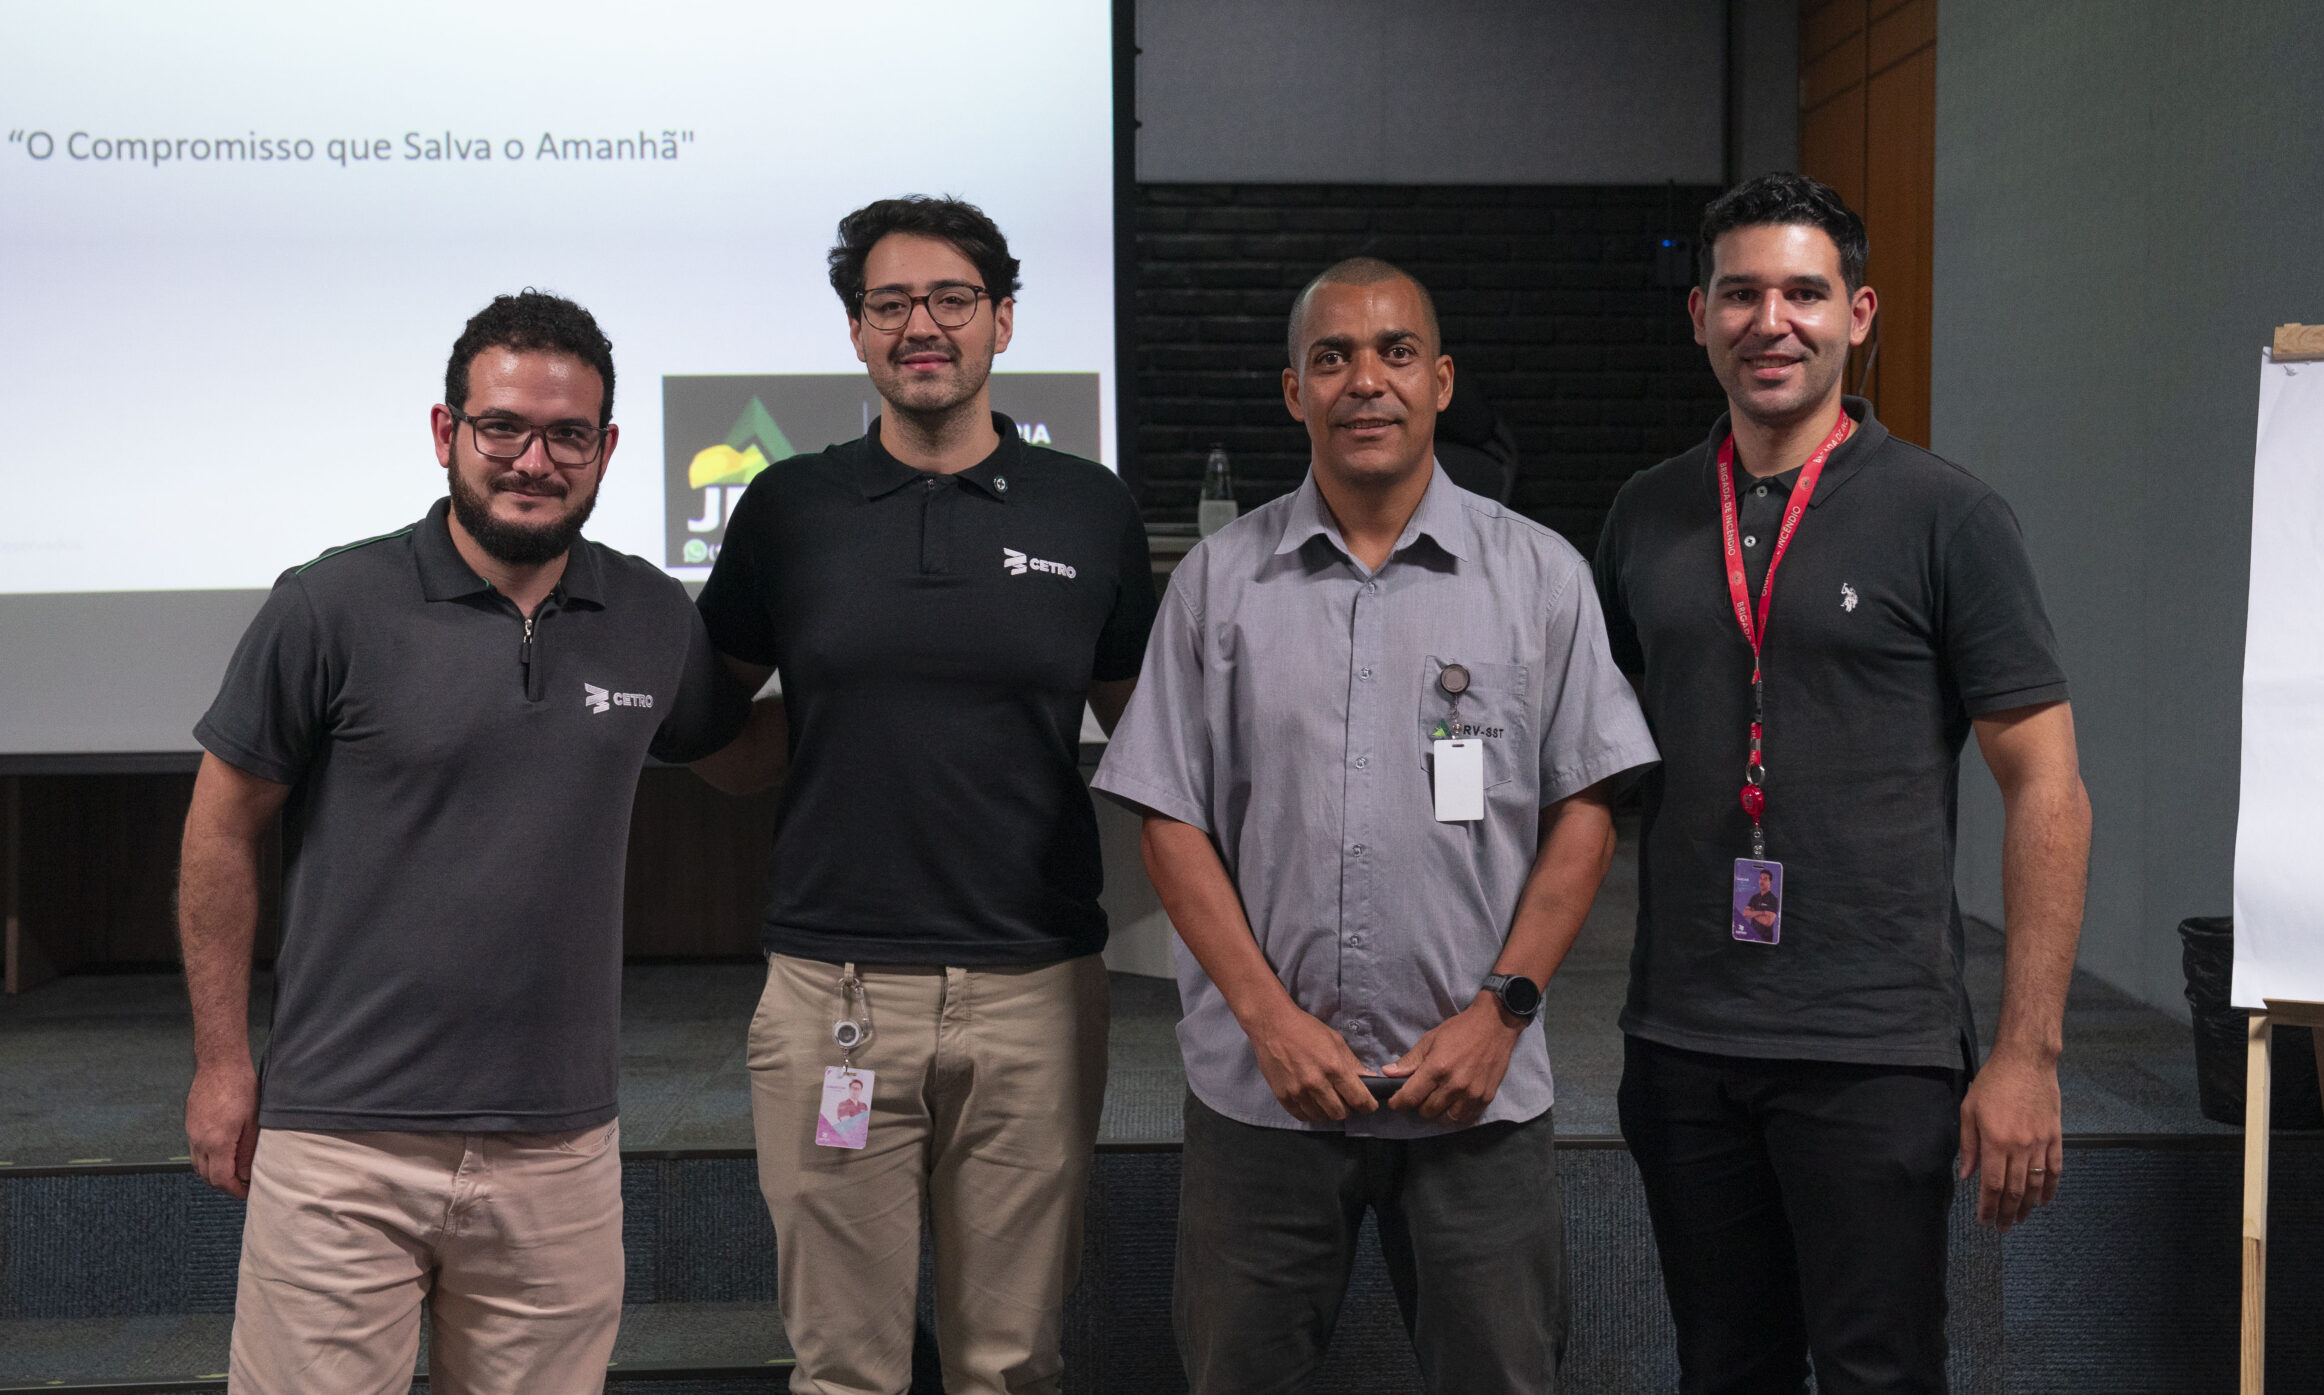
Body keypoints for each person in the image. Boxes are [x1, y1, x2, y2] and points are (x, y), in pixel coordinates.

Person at [1094, 257, 1659, 1395]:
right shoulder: (1218, 584)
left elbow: (1584, 812)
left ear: (1440, 381)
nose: (1366, 381)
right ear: (1291, 392)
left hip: (1475, 1094)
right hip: (1263, 1096)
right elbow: (1167, 815)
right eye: (1332, 357)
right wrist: (1270, 1023)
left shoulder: (1539, 575)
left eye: (1395, 352)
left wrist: (1500, 1019)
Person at [179, 290, 751, 1395]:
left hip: (561, 1150)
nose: (532, 460)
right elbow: (220, 827)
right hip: (344, 1143)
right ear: (447, 434)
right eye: (502, 428)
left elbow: (735, 749)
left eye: (566, 435)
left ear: (606, 449)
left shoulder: (651, 615)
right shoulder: (329, 605)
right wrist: (220, 1062)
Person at [1594, 173, 2093, 1394]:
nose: (1773, 321)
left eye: (1804, 293)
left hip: (1873, 1045)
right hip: (1683, 1038)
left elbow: (2047, 787)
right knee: (1723, 1366)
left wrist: (2027, 1053)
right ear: (1699, 318)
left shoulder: (1946, 517)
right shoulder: (1645, 515)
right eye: (1741, 294)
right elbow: (1591, 768)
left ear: (1858, 314)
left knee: (1878, 1371)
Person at [690, 195, 1156, 1395]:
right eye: (889, 304)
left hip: (1035, 993)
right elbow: (721, 728)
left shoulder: (1087, 506)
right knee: (845, 1368)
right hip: (832, 993)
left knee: (1011, 1364)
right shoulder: (788, 510)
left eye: (951, 299)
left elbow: (1147, 734)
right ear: (856, 333)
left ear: (1002, 318)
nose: (921, 327)